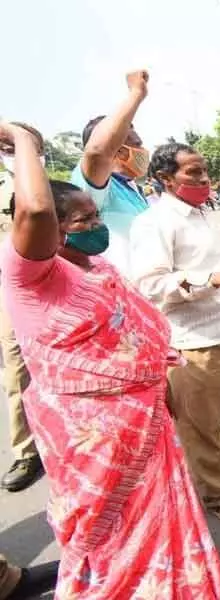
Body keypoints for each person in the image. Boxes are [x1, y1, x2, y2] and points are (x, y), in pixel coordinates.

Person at [0, 121, 220, 597]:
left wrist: (153, 358)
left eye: (95, 217)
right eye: (81, 221)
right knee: (111, 525)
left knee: (157, 509)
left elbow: (131, 320)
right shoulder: (32, 276)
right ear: (48, 233)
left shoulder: (100, 265)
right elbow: (38, 209)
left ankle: (174, 582)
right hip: (92, 435)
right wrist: (23, 142)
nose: (96, 226)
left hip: (142, 416)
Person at [131, 143, 220, 525]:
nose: (204, 179)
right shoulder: (155, 222)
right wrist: (211, 280)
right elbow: (150, 283)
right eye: (193, 172)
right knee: (199, 424)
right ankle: (218, 494)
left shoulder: (205, 214)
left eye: (204, 170)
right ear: (165, 179)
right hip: (193, 339)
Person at [70, 70, 151, 275]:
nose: (143, 150)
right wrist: (136, 93)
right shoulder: (93, 189)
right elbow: (98, 152)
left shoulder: (132, 189)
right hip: (117, 298)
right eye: (137, 144)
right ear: (118, 150)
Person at [0, 123, 44, 493]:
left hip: (58, 280)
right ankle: (27, 451)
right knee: (17, 372)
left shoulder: (42, 184)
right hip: (11, 287)